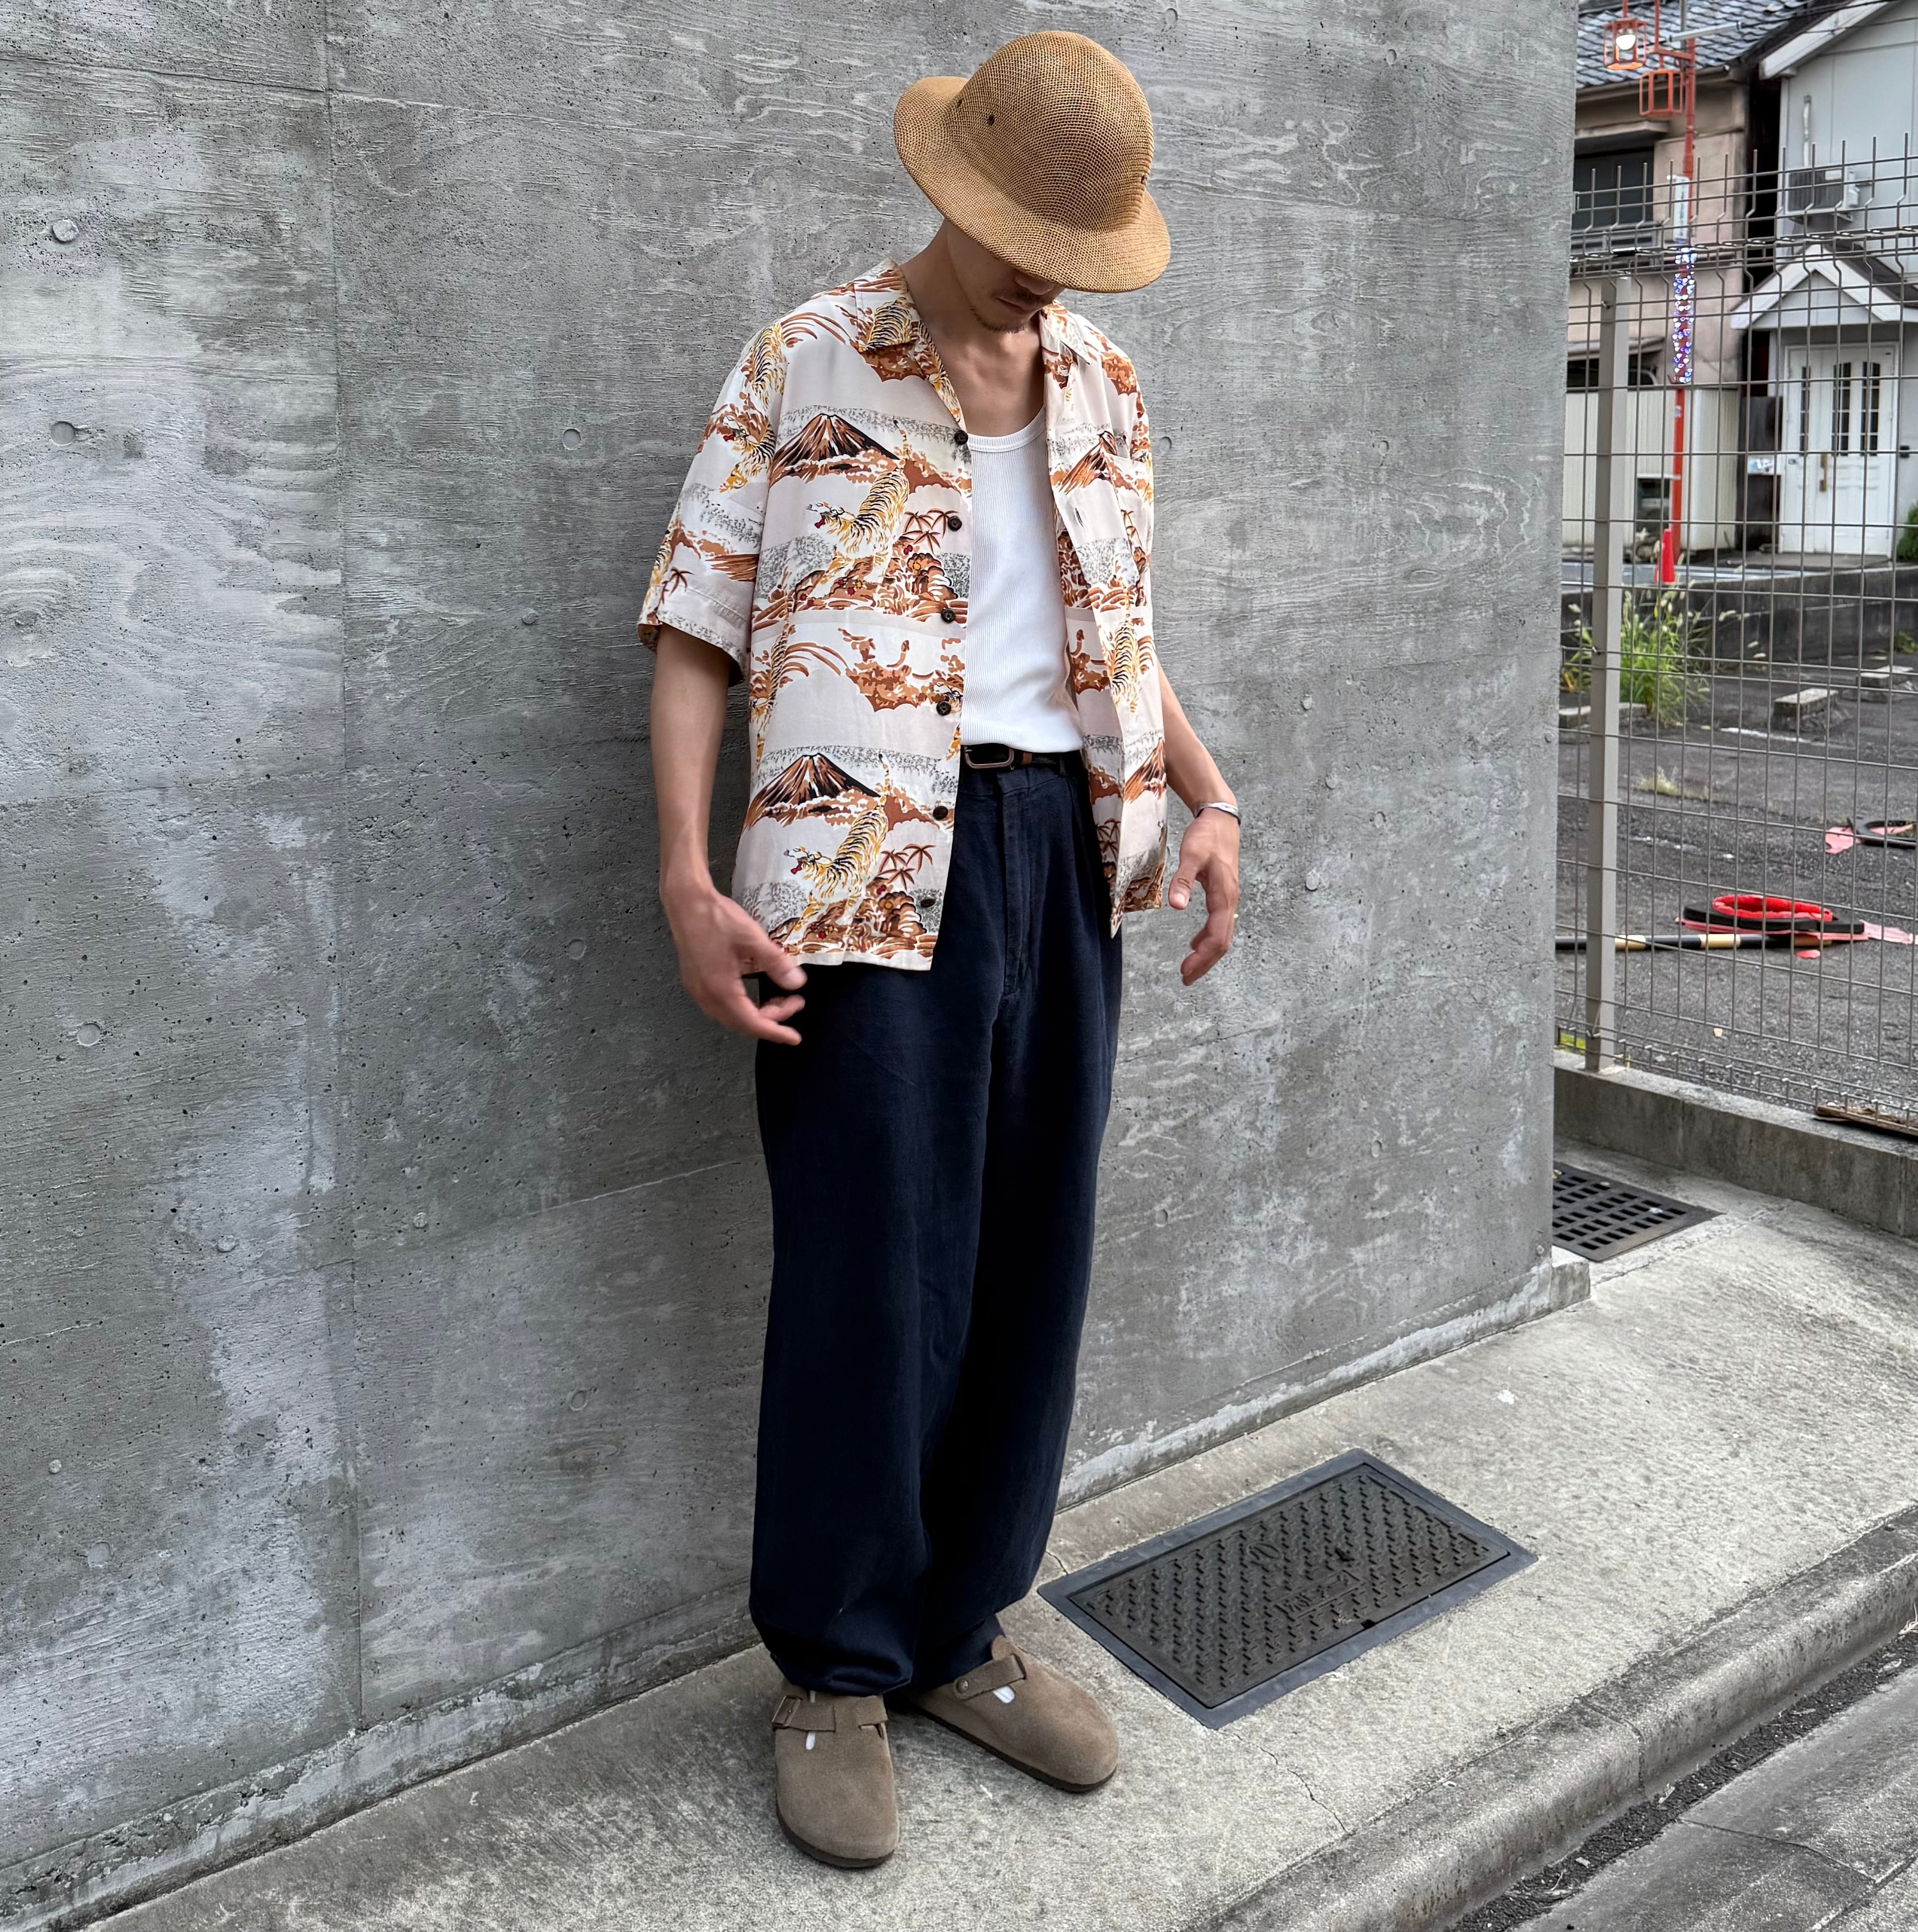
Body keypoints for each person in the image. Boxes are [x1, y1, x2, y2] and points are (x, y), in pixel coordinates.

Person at [641, 28, 1240, 1868]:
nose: (1046, 277)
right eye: (1023, 239)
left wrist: (1211, 799)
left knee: (1028, 1255)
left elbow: (1120, 637)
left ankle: (962, 1629)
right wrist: (682, 877)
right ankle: (834, 1662)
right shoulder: (806, 358)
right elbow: (695, 624)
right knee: (868, 1264)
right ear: (951, 187)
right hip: (855, 869)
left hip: (1066, 853)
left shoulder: (1104, 384)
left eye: (1075, 250)